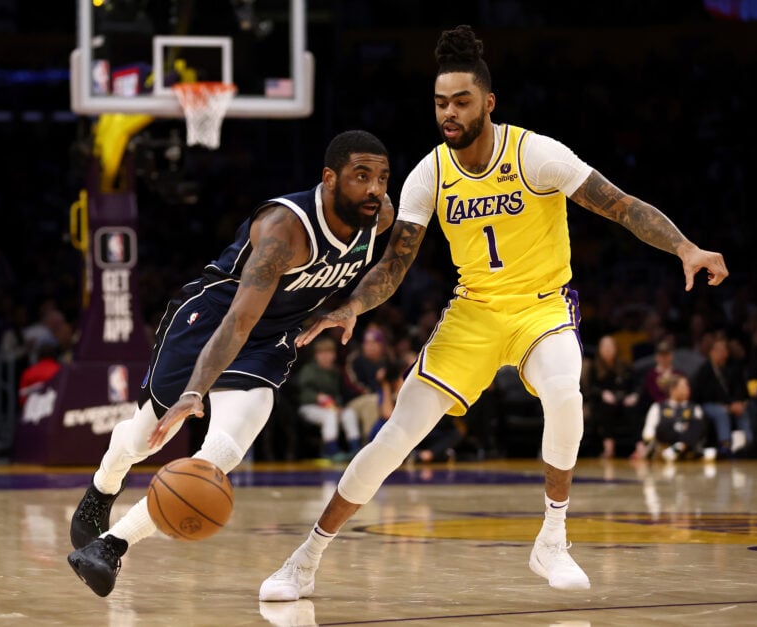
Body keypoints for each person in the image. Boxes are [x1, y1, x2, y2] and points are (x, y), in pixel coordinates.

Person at [259, 24, 728, 601]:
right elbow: (395, 264)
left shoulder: (537, 153)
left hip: (540, 307)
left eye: (460, 101)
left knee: (565, 391)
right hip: (473, 314)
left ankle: (552, 538)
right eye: (439, 103)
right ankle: (304, 560)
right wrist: (353, 304)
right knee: (393, 438)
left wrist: (686, 247)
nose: (448, 113)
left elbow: (622, 206)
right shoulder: (430, 172)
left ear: (488, 102)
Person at [66, 130, 394, 597]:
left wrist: (352, 307)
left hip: (269, 341)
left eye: (382, 177)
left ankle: (110, 546)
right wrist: (195, 392)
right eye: (362, 176)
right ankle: (101, 490)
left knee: (223, 451)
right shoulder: (286, 229)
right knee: (144, 438)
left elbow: (393, 266)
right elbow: (237, 321)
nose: (375, 188)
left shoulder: (378, 217)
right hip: (211, 323)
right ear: (329, 179)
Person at [295, 336, 362, 461]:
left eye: (329, 352)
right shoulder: (309, 370)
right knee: (329, 415)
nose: (326, 356)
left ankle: (355, 448)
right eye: (322, 353)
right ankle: (331, 451)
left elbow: (338, 394)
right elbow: (302, 393)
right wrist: (317, 397)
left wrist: (337, 405)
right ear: (316, 355)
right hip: (309, 407)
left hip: (332, 406)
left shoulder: (336, 372)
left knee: (349, 413)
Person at [582, 335, 641, 460]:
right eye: (605, 347)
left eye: (610, 346)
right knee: (606, 408)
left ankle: (639, 446)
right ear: (600, 349)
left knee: (632, 409)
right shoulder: (594, 367)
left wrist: (633, 396)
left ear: (615, 348)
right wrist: (603, 393)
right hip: (602, 403)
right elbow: (590, 388)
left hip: (623, 400)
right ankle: (609, 447)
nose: (608, 349)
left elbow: (635, 385)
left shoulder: (624, 365)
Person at [691, 335, 749, 458]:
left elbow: (739, 389)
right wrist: (728, 405)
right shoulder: (704, 370)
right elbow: (705, 394)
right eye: (719, 350)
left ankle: (747, 444)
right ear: (711, 352)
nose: (722, 353)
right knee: (721, 412)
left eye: (724, 350)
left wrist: (738, 402)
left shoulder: (732, 368)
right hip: (708, 404)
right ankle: (725, 445)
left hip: (729, 403)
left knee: (743, 411)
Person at [639, 374, 708, 461]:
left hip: (687, 443)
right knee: (663, 425)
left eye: (688, 386)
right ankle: (675, 450)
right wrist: (648, 441)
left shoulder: (694, 407)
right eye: (683, 386)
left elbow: (699, 431)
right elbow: (648, 431)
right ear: (672, 390)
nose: (688, 389)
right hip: (665, 442)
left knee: (697, 423)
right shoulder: (658, 406)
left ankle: (678, 448)